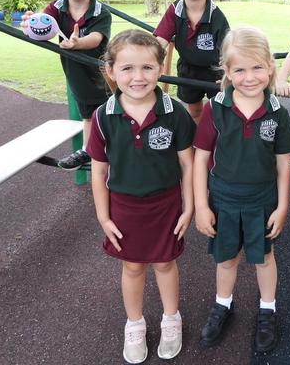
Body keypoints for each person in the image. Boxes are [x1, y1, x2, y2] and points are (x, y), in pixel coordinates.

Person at [86, 30, 195, 364]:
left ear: (160, 68)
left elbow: (188, 164)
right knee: (133, 267)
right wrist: (103, 217)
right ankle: (134, 323)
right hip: (123, 207)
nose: (138, 77)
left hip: (165, 205)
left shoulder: (174, 112)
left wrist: (189, 206)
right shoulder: (103, 117)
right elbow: (99, 171)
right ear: (111, 71)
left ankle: (171, 319)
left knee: (164, 263)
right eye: (128, 68)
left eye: (147, 68)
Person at [193, 27, 290, 353]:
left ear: (270, 67)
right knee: (226, 258)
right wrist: (201, 205)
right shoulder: (215, 108)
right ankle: (223, 304)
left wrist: (282, 206)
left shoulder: (278, 112)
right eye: (239, 69)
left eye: (256, 68)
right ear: (227, 71)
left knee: (264, 257)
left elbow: (283, 164)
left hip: (263, 198)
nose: (249, 77)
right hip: (222, 197)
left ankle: (268, 309)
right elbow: (200, 160)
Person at [22, 0, 112, 170]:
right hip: (77, 75)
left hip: (102, 75)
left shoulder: (101, 12)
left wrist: (77, 42)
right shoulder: (55, 8)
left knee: (107, 113)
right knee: (88, 116)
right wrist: (29, 26)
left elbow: (96, 39)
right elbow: (42, 29)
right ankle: (87, 151)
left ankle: (113, 150)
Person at [154, 0, 231, 124]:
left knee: (218, 109)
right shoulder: (174, 10)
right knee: (194, 109)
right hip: (188, 70)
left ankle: (216, 140)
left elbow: (228, 49)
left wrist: (228, 72)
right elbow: (160, 41)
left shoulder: (216, 16)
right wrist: (147, 60)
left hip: (215, 70)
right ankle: (197, 138)